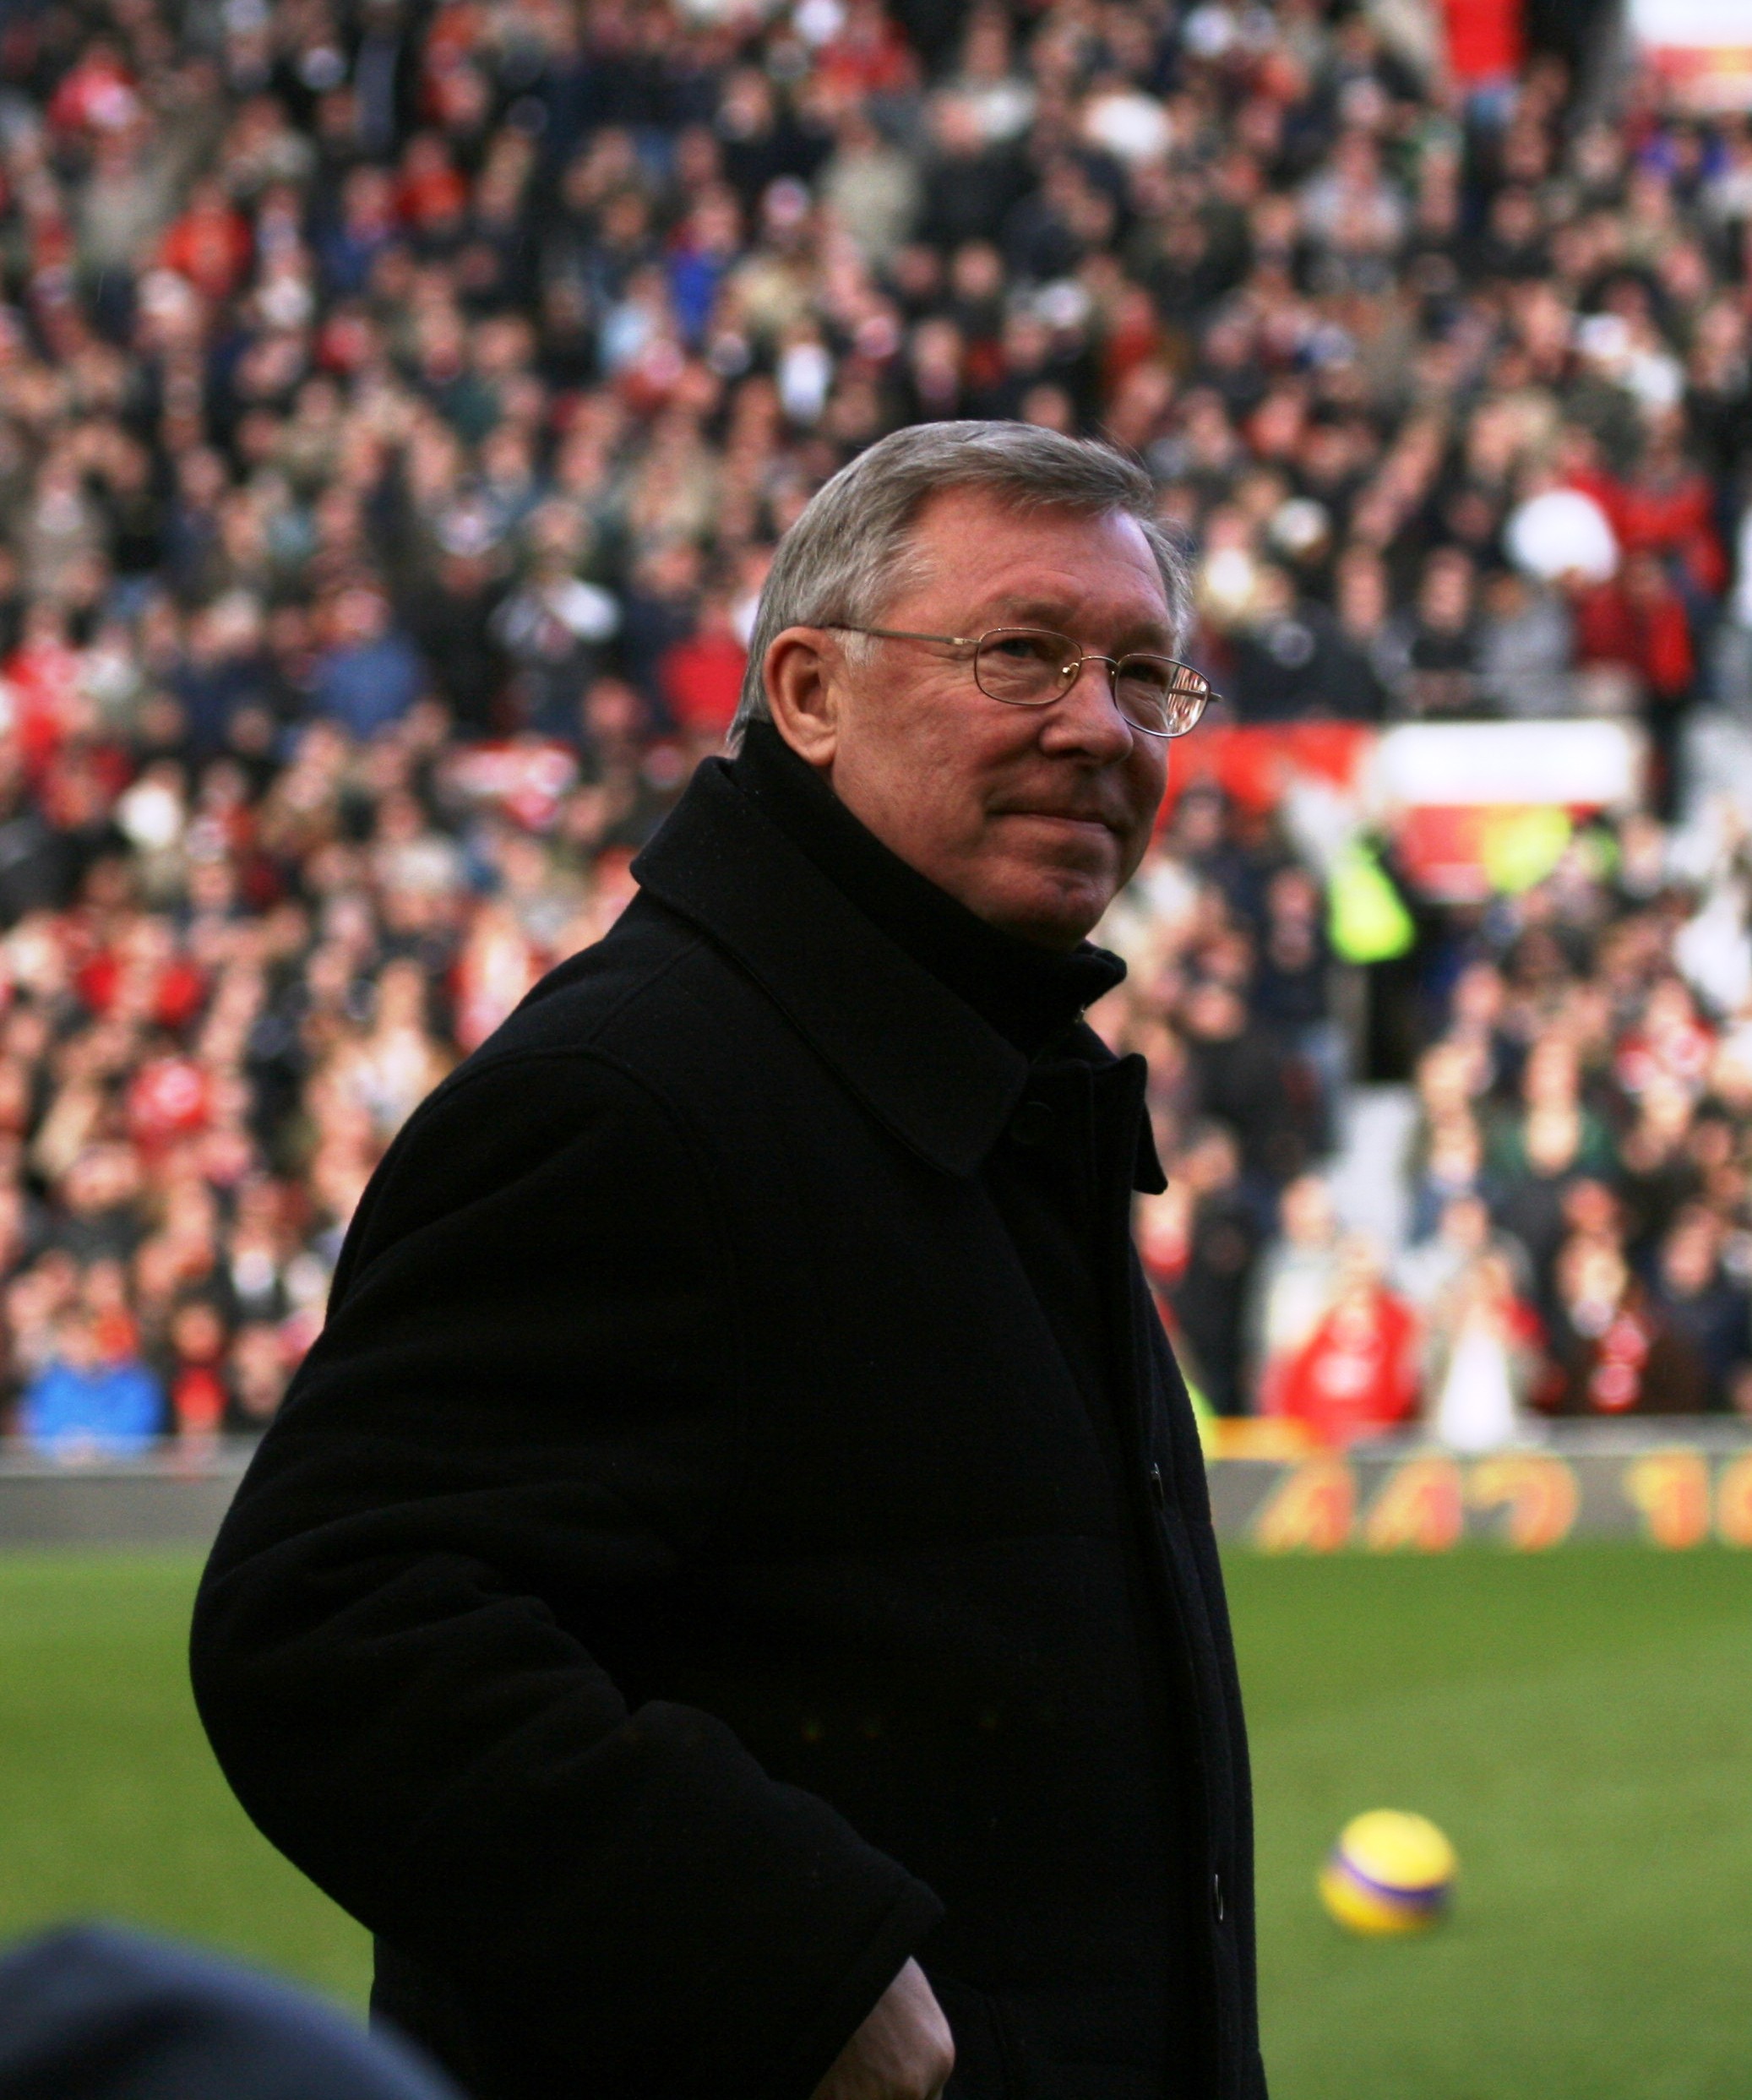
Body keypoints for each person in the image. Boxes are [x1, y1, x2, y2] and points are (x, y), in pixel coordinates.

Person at [191, 425, 1265, 2100]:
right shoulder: (635, 1094)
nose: (1096, 723)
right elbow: (330, 1627)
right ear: (806, 693)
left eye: (1143, 674)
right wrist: (788, 1953)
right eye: (1019, 654)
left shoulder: (989, 1083)